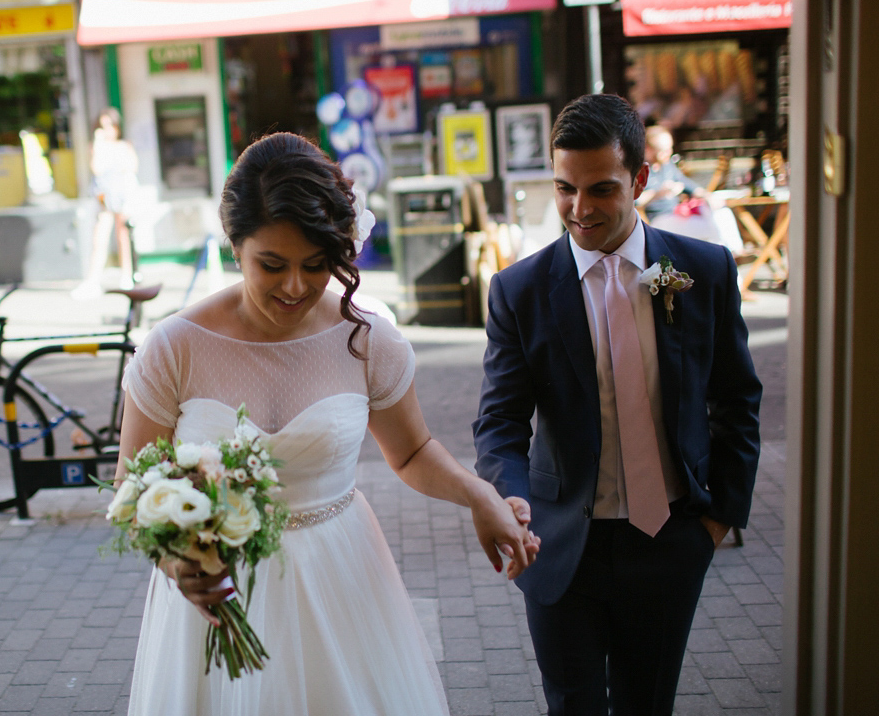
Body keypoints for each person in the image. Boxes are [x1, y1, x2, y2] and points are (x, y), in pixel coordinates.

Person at [117, 132, 540, 715]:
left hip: (343, 583)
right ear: (234, 245)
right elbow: (130, 487)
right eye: (272, 264)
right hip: (215, 598)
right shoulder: (173, 349)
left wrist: (479, 495)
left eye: (316, 266)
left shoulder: (368, 341)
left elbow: (412, 452)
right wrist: (174, 560)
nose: (294, 287)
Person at [474, 94, 762, 714]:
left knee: (647, 704)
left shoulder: (703, 271)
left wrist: (717, 519)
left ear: (639, 179)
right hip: (559, 546)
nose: (579, 210)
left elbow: (736, 399)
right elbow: (499, 420)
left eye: (601, 189)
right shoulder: (519, 291)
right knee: (572, 706)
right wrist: (511, 497)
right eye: (564, 189)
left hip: (669, 541)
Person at [74, 107, 139, 298]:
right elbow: (96, 168)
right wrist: (98, 143)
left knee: (123, 236)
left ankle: (127, 275)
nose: (108, 130)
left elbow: (132, 167)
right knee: (100, 237)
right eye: (103, 126)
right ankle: (93, 280)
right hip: (104, 197)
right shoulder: (97, 146)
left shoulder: (124, 145)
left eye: (110, 125)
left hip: (123, 195)